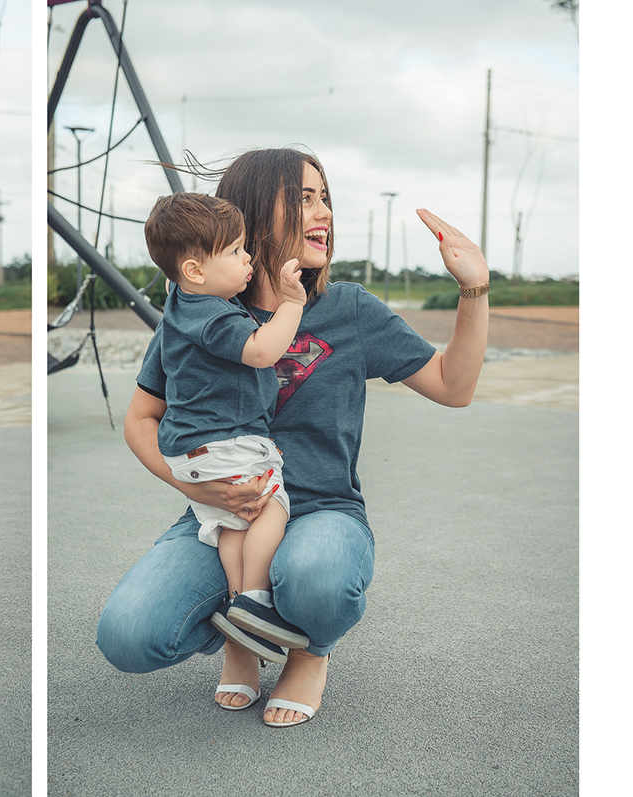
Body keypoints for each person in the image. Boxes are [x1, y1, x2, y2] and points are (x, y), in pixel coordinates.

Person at [100, 148, 489, 727]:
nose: (323, 212)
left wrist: (475, 289)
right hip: (226, 513)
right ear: (255, 213)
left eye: (325, 197)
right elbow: (140, 420)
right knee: (129, 634)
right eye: (303, 198)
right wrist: (200, 491)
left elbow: (452, 386)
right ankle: (242, 630)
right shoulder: (197, 315)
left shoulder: (348, 309)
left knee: (318, 580)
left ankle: (309, 653)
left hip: (321, 508)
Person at [142, 192, 310, 670]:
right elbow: (261, 351)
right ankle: (256, 598)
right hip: (224, 443)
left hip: (191, 454)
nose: (248, 259)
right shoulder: (210, 312)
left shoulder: (179, 305)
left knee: (230, 525)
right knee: (270, 509)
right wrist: (292, 304)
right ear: (195, 271)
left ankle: (238, 607)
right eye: (236, 252)